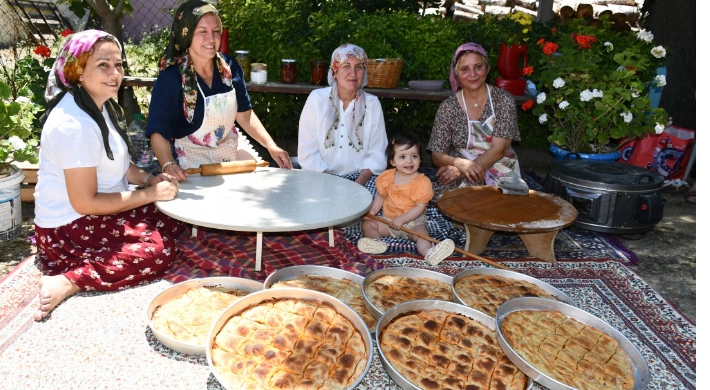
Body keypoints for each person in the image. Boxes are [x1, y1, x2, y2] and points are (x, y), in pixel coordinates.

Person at [34, 30, 187, 321]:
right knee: (158, 250)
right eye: (103, 64)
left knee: (174, 215)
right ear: (78, 71)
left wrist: (148, 180)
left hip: (96, 213)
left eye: (118, 64)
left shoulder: (98, 106)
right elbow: (85, 204)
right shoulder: (73, 124)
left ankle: (123, 237)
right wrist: (149, 195)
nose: (114, 73)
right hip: (68, 229)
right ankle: (69, 280)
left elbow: (120, 165)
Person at [146, 0, 292, 181]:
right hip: (189, 163)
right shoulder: (171, 79)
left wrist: (271, 146)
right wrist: (168, 164)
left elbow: (244, 115)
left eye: (216, 32)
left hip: (229, 154)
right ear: (186, 35)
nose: (211, 39)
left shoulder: (229, 68)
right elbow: (158, 132)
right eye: (202, 32)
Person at [428, 42, 521, 199]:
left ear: (487, 68)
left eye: (478, 67)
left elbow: (499, 150)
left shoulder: (503, 100)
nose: (473, 74)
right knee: (453, 201)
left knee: (504, 207)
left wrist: (460, 171)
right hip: (462, 166)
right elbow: (437, 155)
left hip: (500, 165)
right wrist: (460, 164)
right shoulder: (448, 107)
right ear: (456, 74)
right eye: (465, 69)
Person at [358, 133, 455, 265]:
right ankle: (375, 242)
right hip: (388, 221)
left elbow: (420, 207)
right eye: (402, 157)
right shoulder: (387, 177)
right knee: (368, 224)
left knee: (422, 234)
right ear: (393, 161)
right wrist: (373, 212)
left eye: (414, 156)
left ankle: (429, 252)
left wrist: (402, 220)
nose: (409, 161)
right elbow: (381, 196)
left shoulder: (422, 182)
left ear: (420, 159)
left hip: (413, 223)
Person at [298, 43, 388, 186]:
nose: (353, 73)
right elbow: (307, 152)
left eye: (359, 67)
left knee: (377, 205)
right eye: (346, 66)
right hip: (319, 175)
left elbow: (377, 153)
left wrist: (358, 184)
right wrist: (331, 184)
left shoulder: (372, 104)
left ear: (364, 72)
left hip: (360, 179)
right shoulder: (317, 99)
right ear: (334, 71)